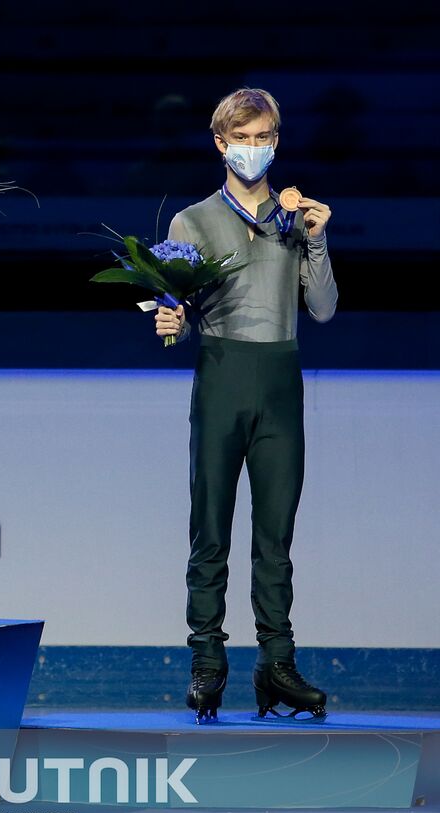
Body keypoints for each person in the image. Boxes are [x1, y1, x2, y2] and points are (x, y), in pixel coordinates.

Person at [154, 88, 337, 721]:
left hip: (281, 380)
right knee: (210, 531)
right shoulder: (192, 222)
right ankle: (208, 664)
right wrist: (169, 321)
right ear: (220, 142)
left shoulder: (295, 218)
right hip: (224, 374)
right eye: (242, 138)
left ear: (277, 142)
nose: (253, 149)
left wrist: (314, 238)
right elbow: (175, 322)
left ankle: (276, 665)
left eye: (264, 138)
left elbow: (323, 308)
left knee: (275, 537)